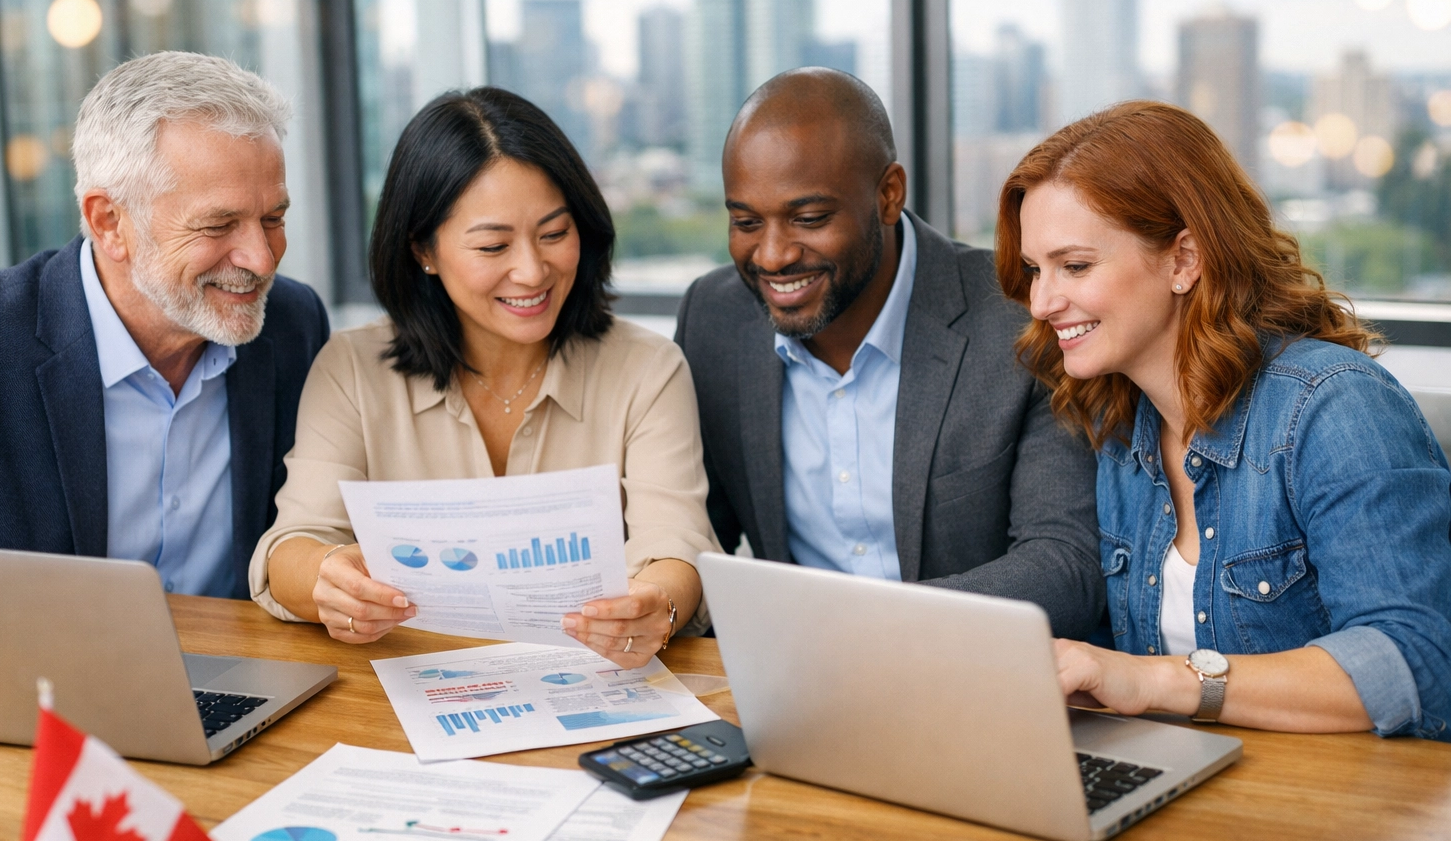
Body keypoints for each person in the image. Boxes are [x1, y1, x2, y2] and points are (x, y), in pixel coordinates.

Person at [997, 99, 1451, 741]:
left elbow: (1416, 662)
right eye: (1034, 271)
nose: (1042, 302)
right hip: (1204, 793)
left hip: (1347, 818)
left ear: (1184, 260)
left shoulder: (1334, 407)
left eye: (1074, 266)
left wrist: (1158, 681)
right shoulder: (1122, 428)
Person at [252, 87, 717, 666]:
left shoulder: (647, 369)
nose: (532, 270)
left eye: (553, 234)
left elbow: (675, 543)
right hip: (405, 690)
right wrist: (328, 580)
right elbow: (293, 543)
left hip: (593, 685)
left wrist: (657, 607)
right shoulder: (352, 369)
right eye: (494, 245)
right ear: (423, 249)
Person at [674, 68, 1103, 638]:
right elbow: (701, 533)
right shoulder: (715, 319)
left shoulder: (1017, 317)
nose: (773, 256)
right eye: (746, 222)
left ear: (888, 194)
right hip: (801, 690)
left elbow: (1065, 567)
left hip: (973, 682)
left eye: (809, 219)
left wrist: (858, 626)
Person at [0, 51, 328, 599]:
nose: (261, 258)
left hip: (247, 672)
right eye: (218, 224)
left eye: (273, 219)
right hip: (40, 680)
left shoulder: (294, 325)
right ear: (108, 222)